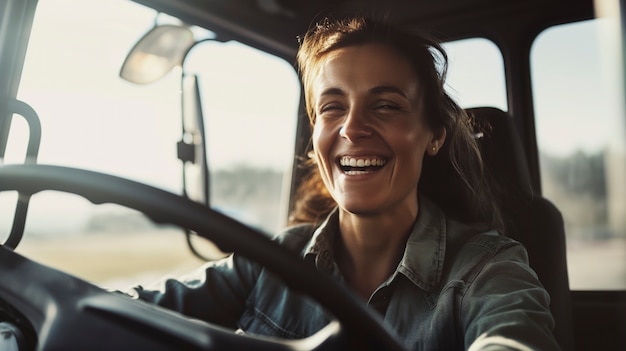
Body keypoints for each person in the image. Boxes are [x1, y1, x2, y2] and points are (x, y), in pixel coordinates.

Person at [129, 16, 559, 350]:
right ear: (315, 138)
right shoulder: (273, 260)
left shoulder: (488, 269)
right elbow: (131, 311)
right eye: (332, 108)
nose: (353, 128)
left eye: (386, 105)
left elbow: (512, 335)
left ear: (434, 136)